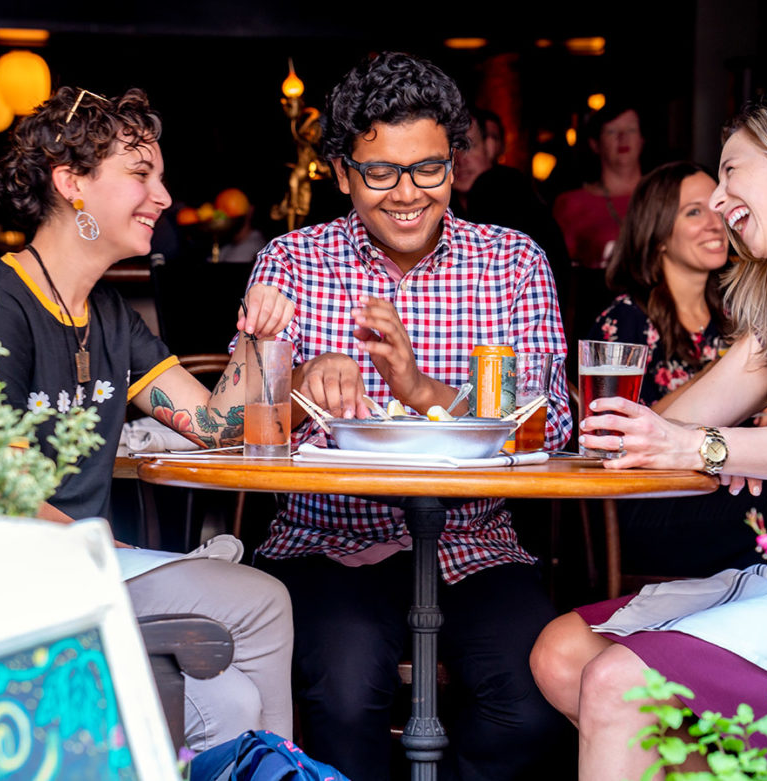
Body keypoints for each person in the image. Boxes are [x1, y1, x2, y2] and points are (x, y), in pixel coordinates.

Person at [246, 52, 573, 780]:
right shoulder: (292, 261)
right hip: (327, 542)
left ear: (453, 164)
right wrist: (300, 375)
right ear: (341, 172)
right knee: (344, 685)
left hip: (474, 545)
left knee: (530, 701)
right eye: (380, 172)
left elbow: (547, 432)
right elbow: (245, 424)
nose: (407, 194)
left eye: (427, 168)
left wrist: (418, 385)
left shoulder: (511, 262)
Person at [530, 92, 767, 777]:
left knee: (616, 681)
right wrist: (629, 427)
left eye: (731, 173)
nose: (720, 204)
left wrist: (711, 447)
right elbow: (678, 418)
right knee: (562, 654)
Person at [0, 86, 295, 753]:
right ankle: (278, 768)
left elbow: (216, 425)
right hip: (26, 579)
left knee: (231, 700)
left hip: (93, 564)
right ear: (71, 183)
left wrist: (256, 336)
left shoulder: (110, 313)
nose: (164, 196)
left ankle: (249, 761)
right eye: (141, 174)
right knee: (262, 601)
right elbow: (3, 492)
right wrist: (100, 552)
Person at [588, 159, 767, 578]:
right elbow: (618, 435)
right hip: (651, 506)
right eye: (693, 211)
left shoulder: (736, 315)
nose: (714, 221)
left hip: (728, 487)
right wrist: (732, 373)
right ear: (659, 231)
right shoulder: (627, 319)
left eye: (717, 208)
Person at [553, 99, 644, 353]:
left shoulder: (665, 195)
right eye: (612, 131)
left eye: (631, 130)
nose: (623, 138)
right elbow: (562, 283)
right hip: (597, 330)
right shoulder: (572, 203)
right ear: (595, 144)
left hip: (660, 321)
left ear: (642, 139)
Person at [450, 108, 569, 293]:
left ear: (490, 147)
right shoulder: (443, 211)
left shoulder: (513, 196)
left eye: (469, 146)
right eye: (450, 150)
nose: (460, 160)